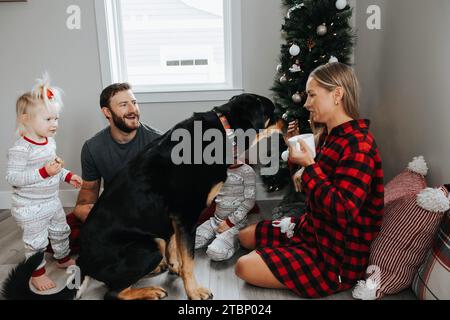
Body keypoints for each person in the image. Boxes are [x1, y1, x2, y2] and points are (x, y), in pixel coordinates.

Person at [235, 62, 384, 298]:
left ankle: (289, 256)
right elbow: (312, 187)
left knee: (243, 266)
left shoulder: (359, 145)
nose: (306, 104)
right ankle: (286, 251)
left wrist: (309, 166)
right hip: (312, 228)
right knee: (244, 236)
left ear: (337, 94)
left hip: (336, 257)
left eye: (312, 95)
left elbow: (343, 210)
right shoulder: (330, 136)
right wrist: (297, 155)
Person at [6, 76, 82, 291]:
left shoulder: (49, 142)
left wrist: (67, 176)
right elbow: (13, 178)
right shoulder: (21, 149)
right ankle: (36, 272)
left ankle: (62, 258)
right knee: (36, 241)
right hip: (30, 206)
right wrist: (43, 171)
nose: (54, 124)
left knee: (61, 230)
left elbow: (53, 167)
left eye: (56, 119)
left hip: (51, 200)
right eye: (48, 119)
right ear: (25, 119)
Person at [67, 83, 161, 251]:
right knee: (63, 231)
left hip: (149, 208)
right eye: (124, 105)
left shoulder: (157, 141)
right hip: (116, 208)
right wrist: (85, 210)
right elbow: (87, 195)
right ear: (107, 112)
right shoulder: (92, 148)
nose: (133, 109)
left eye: (134, 102)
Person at [195, 160, 256, 261]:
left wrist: (228, 223)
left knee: (215, 252)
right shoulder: (217, 169)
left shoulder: (247, 171)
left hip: (235, 224)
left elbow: (249, 202)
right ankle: (217, 238)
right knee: (191, 241)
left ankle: (235, 241)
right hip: (215, 220)